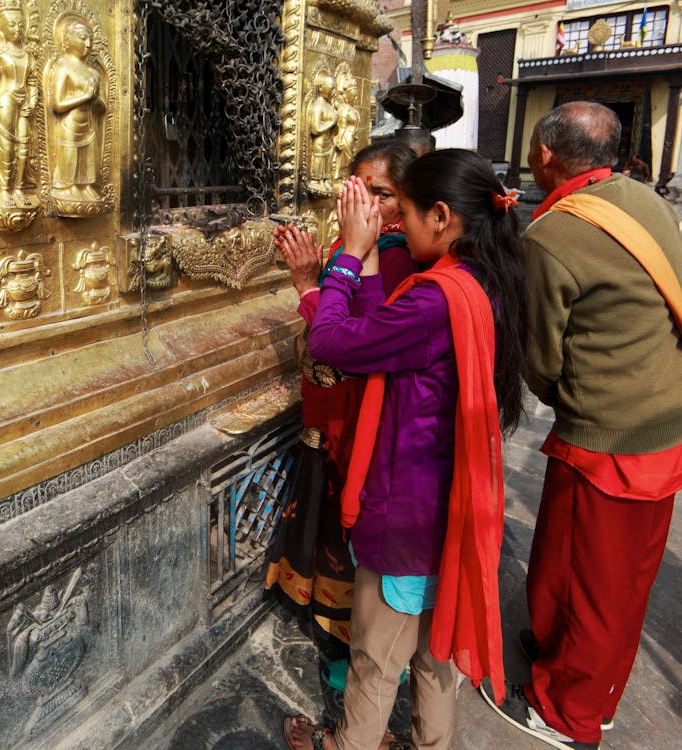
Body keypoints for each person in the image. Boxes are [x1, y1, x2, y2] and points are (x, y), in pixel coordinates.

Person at [479, 102, 682, 749]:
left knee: (599, 585)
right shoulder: (646, 201)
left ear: (546, 157)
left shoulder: (551, 237)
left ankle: (571, 712)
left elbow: (540, 358)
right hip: (669, 419)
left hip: (611, 435)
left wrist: (580, 387)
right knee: (583, 559)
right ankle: (560, 653)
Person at [280, 148, 527, 750]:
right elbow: (383, 336)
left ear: (441, 217)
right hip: (454, 509)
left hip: (408, 517)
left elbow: (336, 342)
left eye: (403, 211)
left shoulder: (436, 299)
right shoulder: (480, 280)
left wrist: (345, 259)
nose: (395, 225)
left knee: (375, 661)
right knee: (438, 655)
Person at [266, 140, 419, 737]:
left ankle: (361, 703)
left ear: (407, 203)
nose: (364, 202)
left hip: (363, 436)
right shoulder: (358, 244)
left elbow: (351, 340)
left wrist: (308, 283)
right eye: (357, 188)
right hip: (329, 427)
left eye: (380, 194)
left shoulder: (399, 258)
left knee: (359, 572)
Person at [0, 0, 36, 207]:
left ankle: (19, 189)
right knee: (6, 147)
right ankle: (4, 190)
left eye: (20, 24)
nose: (17, 29)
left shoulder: (28, 55)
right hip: (5, 100)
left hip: (23, 102)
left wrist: (32, 101)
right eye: (11, 24)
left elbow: (31, 82)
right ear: (0, 28)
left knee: (23, 147)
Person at [47, 17, 102, 205]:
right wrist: (85, 96)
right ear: (68, 40)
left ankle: (84, 186)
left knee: (87, 163)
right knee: (69, 162)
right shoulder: (64, 68)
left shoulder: (93, 73)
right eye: (82, 38)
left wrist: (95, 99)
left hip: (88, 124)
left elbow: (100, 106)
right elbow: (57, 104)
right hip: (69, 125)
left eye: (91, 40)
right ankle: (67, 186)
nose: (88, 44)